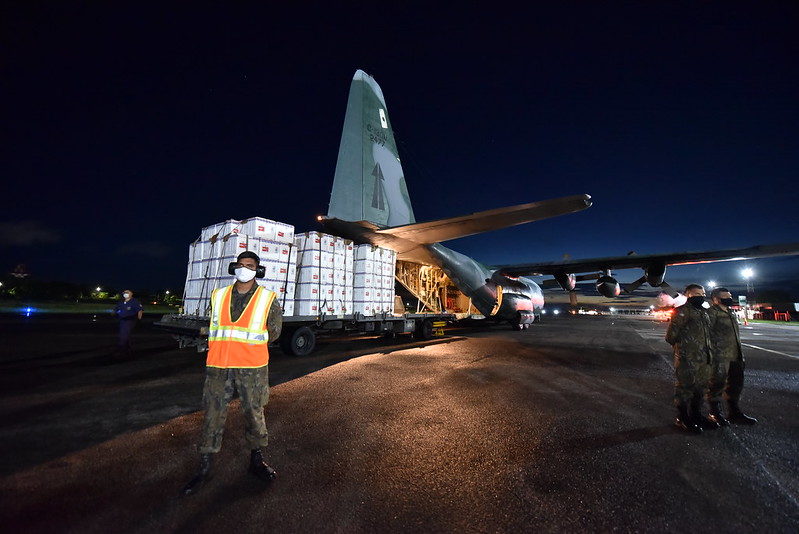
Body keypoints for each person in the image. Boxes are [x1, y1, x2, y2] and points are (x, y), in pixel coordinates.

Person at [183, 251, 283, 496]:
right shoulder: (219, 295)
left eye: (249, 265)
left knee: (254, 413)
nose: (244, 268)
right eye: (240, 264)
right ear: (233, 267)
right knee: (212, 416)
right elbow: (216, 324)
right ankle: (204, 467)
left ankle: (256, 461)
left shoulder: (267, 298)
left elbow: (275, 332)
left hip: (251, 368)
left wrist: (247, 345)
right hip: (219, 366)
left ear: (258, 270)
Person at [665, 284, 718, 433]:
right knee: (685, 389)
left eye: (702, 293)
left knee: (701, 389)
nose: (700, 295)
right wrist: (685, 348)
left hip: (705, 358)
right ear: (688, 295)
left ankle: (696, 415)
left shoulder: (705, 312)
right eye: (696, 293)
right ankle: (682, 418)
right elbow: (670, 337)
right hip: (687, 359)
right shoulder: (681, 312)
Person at [707, 287, 757, 426]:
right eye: (726, 296)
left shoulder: (730, 312)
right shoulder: (711, 313)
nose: (729, 298)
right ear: (716, 299)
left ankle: (734, 412)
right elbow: (706, 335)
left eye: (730, 295)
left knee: (736, 384)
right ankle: (714, 413)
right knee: (716, 385)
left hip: (736, 354)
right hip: (720, 356)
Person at [113, 289, 143, 355]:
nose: (125, 293)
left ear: (131, 294)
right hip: (122, 320)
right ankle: (128, 349)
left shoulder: (135, 302)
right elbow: (116, 308)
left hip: (130, 320)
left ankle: (121, 349)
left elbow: (140, 311)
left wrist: (139, 320)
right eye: (124, 292)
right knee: (125, 334)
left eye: (127, 292)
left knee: (123, 335)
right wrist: (114, 314)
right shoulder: (121, 302)